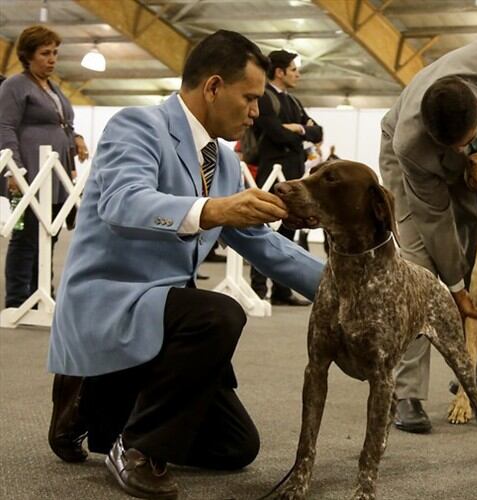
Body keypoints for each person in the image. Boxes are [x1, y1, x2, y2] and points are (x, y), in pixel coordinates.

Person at [46, 30, 324, 499]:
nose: (257, 112)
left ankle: (93, 406)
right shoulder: (135, 126)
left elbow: (264, 245)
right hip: (112, 304)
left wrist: (342, 286)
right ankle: (135, 446)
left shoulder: (227, 165)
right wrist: (213, 209)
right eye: (250, 98)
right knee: (219, 313)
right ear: (213, 87)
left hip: (162, 316)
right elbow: (122, 201)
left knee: (236, 448)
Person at [379, 17, 477, 434]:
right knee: (419, 272)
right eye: (454, 147)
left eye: (467, 141)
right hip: (409, 172)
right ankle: (407, 393)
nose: (463, 152)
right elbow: (434, 220)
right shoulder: (412, 146)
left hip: (475, 162)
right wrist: (456, 289)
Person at [0, 25, 89, 308]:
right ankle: (17, 299)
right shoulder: (14, 86)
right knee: (24, 237)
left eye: (55, 53)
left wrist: (76, 138)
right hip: (26, 175)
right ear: (28, 55)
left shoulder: (53, 87)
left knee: (49, 235)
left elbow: (63, 123)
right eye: (45, 53)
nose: (52, 59)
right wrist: (13, 169)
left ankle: (42, 294)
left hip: (56, 176)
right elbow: (5, 126)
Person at [249, 49, 321, 306]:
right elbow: (274, 133)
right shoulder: (264, 98)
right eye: (293, 70)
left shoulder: (294, 102)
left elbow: (318, 132)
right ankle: (258, 290)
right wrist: (300, 131)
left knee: (289, 230)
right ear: (279, 72)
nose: (297, 75)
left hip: (294, 173)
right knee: (263, 228)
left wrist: (297, 129)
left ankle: (282, 290)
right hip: (272, 172)